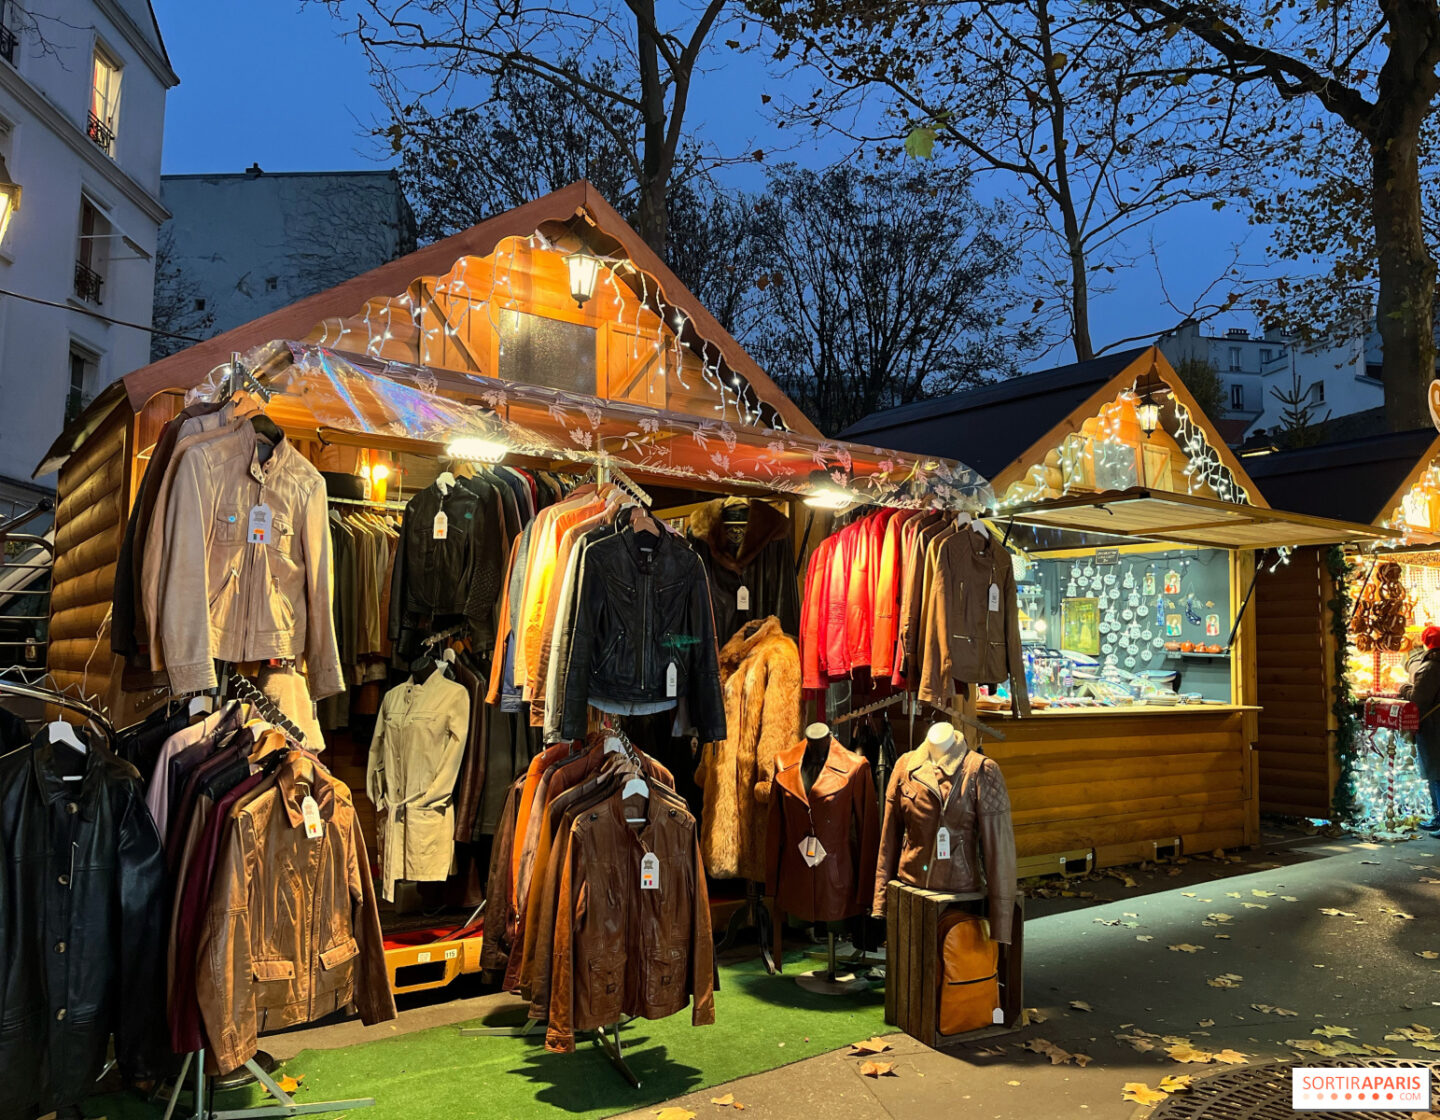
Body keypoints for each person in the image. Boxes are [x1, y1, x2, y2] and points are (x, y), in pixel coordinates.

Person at [1399, 624, 1440, 836]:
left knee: (1436, 773)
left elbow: (1418, 700)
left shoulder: (1430, 668)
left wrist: (1404, 688)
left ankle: (1439, 817)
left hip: (1434, 728)